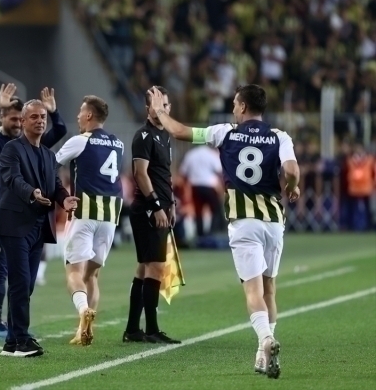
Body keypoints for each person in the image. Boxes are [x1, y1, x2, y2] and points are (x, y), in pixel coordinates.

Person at [150, 84, 300, 379]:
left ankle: (265, 340)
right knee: (269, 288)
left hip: (244, 222)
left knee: (252, 290)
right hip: (273, 223)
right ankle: (262, 352)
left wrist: (159, 112)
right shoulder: (280, 136)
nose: (233, 108)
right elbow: (293, 171)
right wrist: (292, 189)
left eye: (234, 103)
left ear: (243, 107)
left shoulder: (225, 132)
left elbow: (180, 131)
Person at [0, 84, 66, 339]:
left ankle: (15, 327)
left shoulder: (30, 145)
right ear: (4, 118)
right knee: (0, 270)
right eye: (12, 118)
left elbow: (60, 131)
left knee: (23, 278)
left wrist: (53, 112)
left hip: (29, 216)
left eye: (17, 118)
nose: (15, 123)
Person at [0, 100, 78, 357]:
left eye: (43, 117)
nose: (40, 121)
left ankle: (10, 341)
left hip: (39, 225)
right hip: (15, 224)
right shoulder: (11, 149)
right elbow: (13, 180)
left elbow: (55, 184)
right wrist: (32, 194)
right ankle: (22, 340)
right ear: (23, 121)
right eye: (34, 117)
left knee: (26, 285)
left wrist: (64, 199)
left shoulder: (48, 155)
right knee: (20, 283)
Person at [55, 95, 123, 346]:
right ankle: (82, 329)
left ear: (89, 116)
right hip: (110, 214)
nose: (77, 116)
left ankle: (83, 310)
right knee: (92, 276)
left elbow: (51, 164)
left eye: (81, 112)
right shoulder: (118, 143)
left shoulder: (79, 140)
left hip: (85, 210)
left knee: (74, 271)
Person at [123, 86, 182, 345]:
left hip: (160, 207)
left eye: (166, 105)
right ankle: (151, 329)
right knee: (156, 268)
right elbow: (140, 173)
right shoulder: (144, 136)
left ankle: (133, 329)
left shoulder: (165, 135)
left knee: (144, 268)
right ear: (148, 108)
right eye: (159, 105)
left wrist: (172, 203)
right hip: (147, 208)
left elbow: (163, 174)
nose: (163, 109)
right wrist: (157, 205)